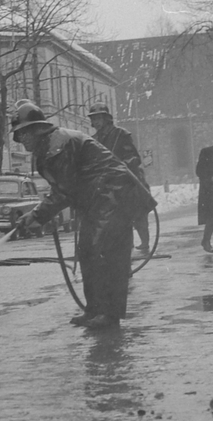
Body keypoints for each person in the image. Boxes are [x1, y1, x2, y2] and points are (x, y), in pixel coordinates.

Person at [11, 101, 157, 329]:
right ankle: (95, 310)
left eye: (23, 134)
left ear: (36, 129)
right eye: (18, 135)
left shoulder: (59, 145)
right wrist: (37, 215)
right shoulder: (51, 145)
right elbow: (64, 187)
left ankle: (109, 315)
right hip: (99, 199)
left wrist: (37, 216)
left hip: (113, 197)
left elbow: (66, 189)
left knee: (105, 256)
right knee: (88, 251)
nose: (21, 140)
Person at [88, 102, 152, 254]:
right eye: (93, 119)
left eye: (99, 118)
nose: (96, 122)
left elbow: (134, 158)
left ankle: (144, 243)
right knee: (114, 220)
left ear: (106, 118)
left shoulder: (121, 134)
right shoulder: (93, 140)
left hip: (128, 183)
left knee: (137, 216)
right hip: (108, 185)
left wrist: (121, 165)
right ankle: (122, 248)